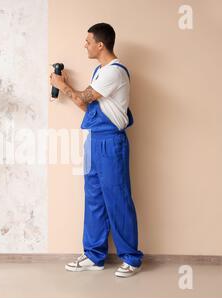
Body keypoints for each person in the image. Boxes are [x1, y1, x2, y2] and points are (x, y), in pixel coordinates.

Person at [50, 23, 143, 277]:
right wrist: (67, 88)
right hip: (94, 139)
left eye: (88, 41)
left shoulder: (114, 72)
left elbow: (84, 97)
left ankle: (131, 258)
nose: (85, 45)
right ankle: (94, 255)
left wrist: (62, 84)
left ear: (100, 45)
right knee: (94, 199)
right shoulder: (99, 71)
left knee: (118, 198)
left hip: (111, 142)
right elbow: (88, 107)